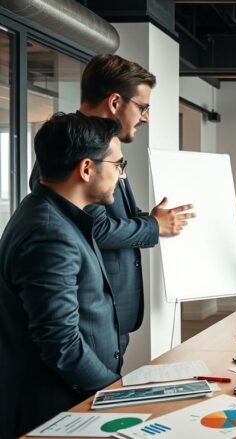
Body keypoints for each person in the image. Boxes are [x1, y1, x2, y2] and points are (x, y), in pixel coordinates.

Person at [29, 54, 195, 364]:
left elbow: (106, 217)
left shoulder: (103, 148)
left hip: (109, 315)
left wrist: (151, 219)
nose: (146, 117)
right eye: (142, 107)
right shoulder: (74, 149)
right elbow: (92, 227)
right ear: (116, 102)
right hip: (88, 317)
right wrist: (153, 227)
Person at [0, 113, 125, 437]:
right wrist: (117, 391)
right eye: (117, 165)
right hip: (55, 407)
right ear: (86, 168)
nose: (121, 177)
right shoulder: (49, 232)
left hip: (72, 398)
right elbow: (60, 341)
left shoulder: (52, 214)